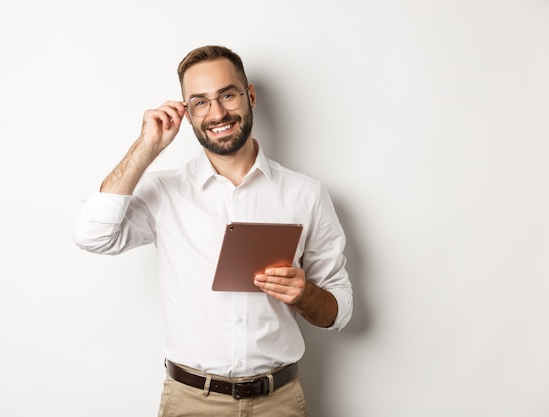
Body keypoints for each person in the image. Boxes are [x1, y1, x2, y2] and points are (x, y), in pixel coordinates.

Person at [72, 45, 353, 417]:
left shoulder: (306, 194)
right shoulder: (165, 192)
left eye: (227, 95)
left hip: (279, 403)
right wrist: (146, 146)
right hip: (191, 403)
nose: (217, 113)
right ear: (186, 114)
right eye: (200, 102)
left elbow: (339, 310)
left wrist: (304, 294)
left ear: (249, 95)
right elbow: (92, 235)